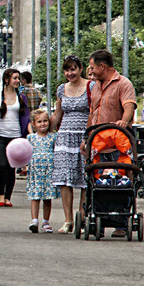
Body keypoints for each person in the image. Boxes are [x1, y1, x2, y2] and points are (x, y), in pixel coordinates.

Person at [86, 49, 137, 237]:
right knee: (97, 182)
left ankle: (121, 223)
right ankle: (95, 215)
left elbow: (128, 106)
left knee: (119, 183)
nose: (90, 71)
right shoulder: (95, 85)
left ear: (102, 66)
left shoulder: (123, 84)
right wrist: (87, 138)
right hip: (97, 143)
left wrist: (124, 121)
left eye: (92, 67)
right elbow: (92, 113)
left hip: (118, 144)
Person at [49, 55, 91, 234]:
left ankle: (81, 217)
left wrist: (89, 135)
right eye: (67, 70)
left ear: (80, 68)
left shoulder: (91, 86)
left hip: (85, 135)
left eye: (73, 69)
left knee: (84, 178)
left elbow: (94, 111)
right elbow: (58, 114)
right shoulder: (61, 89)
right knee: (65, 179)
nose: (70, 73)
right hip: (65, 137)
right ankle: (68, 220)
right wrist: (45, 132)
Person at [0, 68, 31, 207]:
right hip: (0, 135)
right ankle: (1, 194)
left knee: (12, 167)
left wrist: (29, 135)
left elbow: (26, 117)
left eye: (18, 78)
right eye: (15, 78)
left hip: (16, 136)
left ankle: (8, 197)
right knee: (2, 165)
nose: (18, 80)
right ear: (6, 80)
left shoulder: (21, 97)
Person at [26, 109, 59, 233]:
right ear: (34, 124)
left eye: (45, 121)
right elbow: (25, 153)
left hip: (49, 170)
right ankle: (34, 220)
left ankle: (46, 221)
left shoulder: (53, 137)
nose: (43, 124)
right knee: (35, 196)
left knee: (47, 197)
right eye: (39, 122)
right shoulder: (31, 138)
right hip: (35, 171)